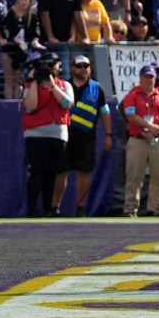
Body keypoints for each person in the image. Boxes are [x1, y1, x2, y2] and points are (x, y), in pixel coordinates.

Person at [54, 55, 112, 217]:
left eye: (85, 66)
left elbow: (105, 113)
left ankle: (81, 208)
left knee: (84, 172)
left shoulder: (97, 88)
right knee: (61, 172)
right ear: (72, 68)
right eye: (79, 66)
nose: (82, 69)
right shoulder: (63, 85)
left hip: (86, 137)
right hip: (64, 135)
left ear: (90, 68)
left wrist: (109, 134)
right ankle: (55, 207)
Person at [22, 52, 74, 217]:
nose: (52, 69)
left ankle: (48, 208)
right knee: (37, 172)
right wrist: (35, 81)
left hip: (57, 135)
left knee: (52, 173)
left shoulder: (64, 85)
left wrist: (53, 86)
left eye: (54, 65)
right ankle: (31, 209)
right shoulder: (31, 86)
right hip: (36, 134)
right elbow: (31, 106)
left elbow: (67, 103)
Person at [121, 65, 159, 218]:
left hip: (158, 140)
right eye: (146, 77)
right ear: (140, 78)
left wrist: (157, 129)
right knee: (134, 176)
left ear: (155, 78)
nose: (149, 80)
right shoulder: (132, 95)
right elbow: (130, 116)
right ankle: (130, 208)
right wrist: (149, 127)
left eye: (151, 77)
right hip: (138, 140)